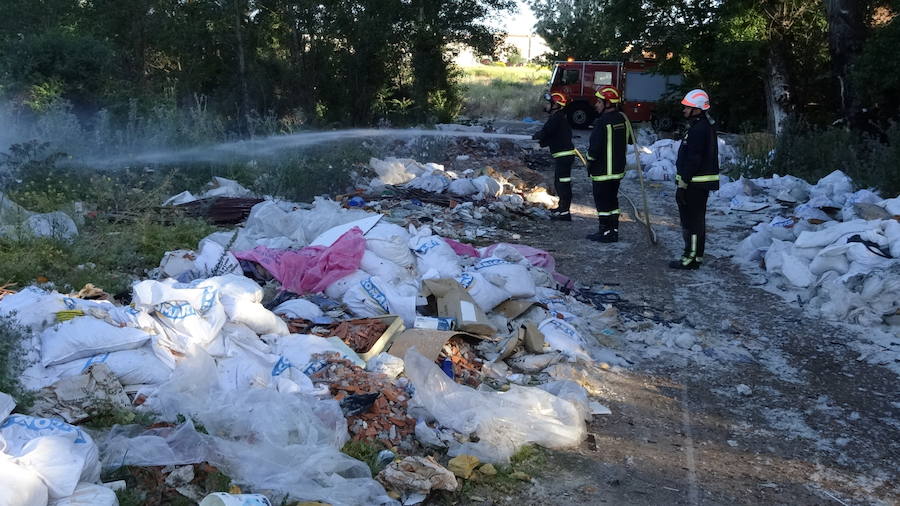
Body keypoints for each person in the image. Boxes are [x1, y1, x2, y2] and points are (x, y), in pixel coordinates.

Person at [670, 89, 720, 269]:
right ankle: (695, 256)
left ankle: (690, 258)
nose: (684, 110)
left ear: (697, 109)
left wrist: (683, 183)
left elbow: (693, 159)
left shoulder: (699, 130)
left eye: (687, 107)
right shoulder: (702, 126)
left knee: (692, 222)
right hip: (698, 184)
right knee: (696, 221)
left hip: (694, 185)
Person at [586, 85, 628, 242]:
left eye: (599, 101)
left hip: (603, 171)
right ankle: (613, 230)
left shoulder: (602, 122)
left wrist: (589, 161)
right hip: (617, 171)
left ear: (608, 103)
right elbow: (629, 140)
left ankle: (604, 231)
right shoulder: (621, 119)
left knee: (602, 202)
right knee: (613, 201)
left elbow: (594, 148)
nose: (596, 104)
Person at [532, 92, 577, 221]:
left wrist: (538, 137)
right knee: (559, 183)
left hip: (564, 156)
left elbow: (546, 132)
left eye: (549, 103)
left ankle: (565, 213)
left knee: (563, 185)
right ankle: (562, 208)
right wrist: (542, 140)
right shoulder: (559, 117)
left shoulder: (557, 118)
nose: (546, 106)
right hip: (563, 156)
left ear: (556, 105)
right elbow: (551, 136)